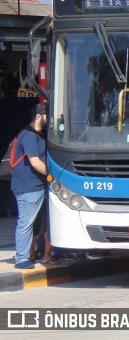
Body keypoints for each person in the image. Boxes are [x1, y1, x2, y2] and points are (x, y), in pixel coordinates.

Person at [10, 103, 54, 269]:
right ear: (38, 116)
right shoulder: (28, 135)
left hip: (38, 186)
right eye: (46, 117)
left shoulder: (40, 135)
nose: (49, 120)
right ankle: (21, 258)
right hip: (27, 187)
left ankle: (34, 254)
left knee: (37, 224)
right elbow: (35, 162)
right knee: (26, 223)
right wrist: (52, 176)